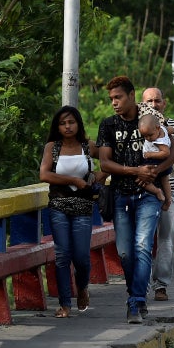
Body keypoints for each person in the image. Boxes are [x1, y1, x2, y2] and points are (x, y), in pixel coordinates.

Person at [97, 76, 174, 323]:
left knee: (143, 245)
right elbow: (104, 163)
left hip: (148, 195)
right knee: (125, 252)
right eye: (111, 99)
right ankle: (134, 291)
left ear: (132, 95)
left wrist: (156, 170)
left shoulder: (150, 120)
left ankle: (136, 301)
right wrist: (135, 171)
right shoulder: (108, 125)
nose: (114, 103)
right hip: (121, 194)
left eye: (118, 97)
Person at [40, 106, 105, 318]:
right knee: (62, 255)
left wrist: (97, 176)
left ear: (78, 124)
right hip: (59, 206)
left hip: (83, 207)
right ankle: (65, 304)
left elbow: (109, 161)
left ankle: (83, 287)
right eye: (62, 123)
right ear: (57, 127)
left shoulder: (88, 146)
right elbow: (44, 174)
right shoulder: (53, 147)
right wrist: (72, 180)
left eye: (71, 122)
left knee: (82, 257)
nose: (67, 127)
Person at [143, 87, 174, 303]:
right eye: (149, 101)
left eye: (157, 101)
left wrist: (162, 159)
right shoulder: (138, 128)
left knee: (166, 239)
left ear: (164, 103)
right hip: (142, 188)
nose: (154, 104)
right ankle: (139, 286)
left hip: (169, 187)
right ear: (142, 105)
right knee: (141, 241)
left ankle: (161, 285)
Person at [137, 114, 172, 209]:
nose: (148, 138)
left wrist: (150, 154)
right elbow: (171, 129)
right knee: (165, 180)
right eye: (145, 136)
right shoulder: (162, 130)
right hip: (162, 162)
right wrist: (169, 131)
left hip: (155, 161)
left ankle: (157, 191)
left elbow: (166, 153)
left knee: (142, 179)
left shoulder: (159, 141)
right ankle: (168, 200)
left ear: (157, 128)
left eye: (150, 135)